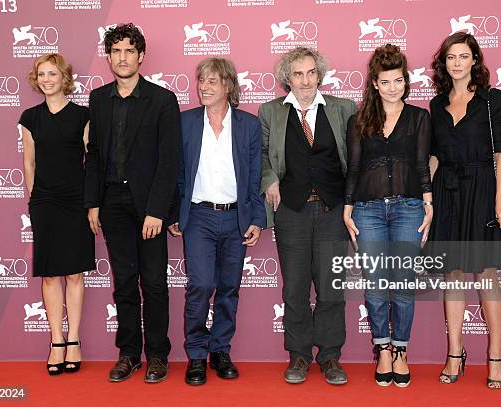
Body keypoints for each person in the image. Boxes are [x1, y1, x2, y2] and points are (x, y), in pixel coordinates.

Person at [84, 23, 181, 383]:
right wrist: (93, 202)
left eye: (129, 51)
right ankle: (129, 354)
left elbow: (170, 160)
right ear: (108, 57)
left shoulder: (162, 100)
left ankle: (157, 355)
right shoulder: (98, 99)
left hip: (148, 206)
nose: (123, 57)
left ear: (141, 56)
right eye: (116, 51)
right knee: (124, 282)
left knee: (154, 282)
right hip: (112, 202)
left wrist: (157, 210)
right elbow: (93, 155)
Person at [259, 47, 357, 385]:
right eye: (298, 74)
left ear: (320, 75)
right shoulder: (270, 111)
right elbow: (260, 154)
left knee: (332, 287)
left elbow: (355, 158)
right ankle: (299, 356)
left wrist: (350, 201)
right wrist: (269, 179)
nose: (305, 80)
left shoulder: (343, 109)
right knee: (295, 287)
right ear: (288, 78)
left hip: (333, 211)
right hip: (292, 212)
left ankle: (330, 357)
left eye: (311, 72)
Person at [428, 32, 501, 390]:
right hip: (447, 192)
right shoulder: (436, 104)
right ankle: (455, 353)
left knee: (486, 276)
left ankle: (496, 354)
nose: (456, 63)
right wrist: (427, 201)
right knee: (451, 275)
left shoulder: (493, 100)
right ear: (444, 63)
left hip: (482, 190)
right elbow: (434, 156)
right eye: (450, 57)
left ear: (474, 61)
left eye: (463, 56)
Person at [168, 58, 266, 386]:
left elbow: (254, 177)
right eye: (201, 81)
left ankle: (220, 349)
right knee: (200, 286)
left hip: (236, 216)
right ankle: (196, 354)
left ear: (228, 86)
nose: (204, 87)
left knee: (228, 288)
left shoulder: (249, 126)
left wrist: (256, 218)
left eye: (212, 81)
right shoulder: (185, 123)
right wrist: (173, 214)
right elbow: (175, 173)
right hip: (198, 217)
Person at [343, 44, 433, 388]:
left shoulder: (419, 117)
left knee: (404, 285)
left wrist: (429, 205)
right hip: (367, 211)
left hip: (409, 208)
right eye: (386, 81)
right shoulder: (360, 120)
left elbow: (423, 165)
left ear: (405, 81)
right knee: (378, 285)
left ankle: (401, 350)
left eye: (399, 80)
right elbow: (354, 167)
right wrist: (348, 209)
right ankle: (382, 348)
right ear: (375, 84)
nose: (393, 87)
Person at [20, 53, 94, 375]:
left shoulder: (83, 117)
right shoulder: (30, 118)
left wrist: (92, 201)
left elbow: (91, 162)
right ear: (36, 79)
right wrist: (34, 200)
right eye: (42, 74)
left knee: (75, 273)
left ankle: (74, 340)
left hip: (77, 202)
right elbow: (29, 164)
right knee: (50, 274)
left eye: (53, 73)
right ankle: (56, 342)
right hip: (45, 203)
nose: (47, 79)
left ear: (65, 78)